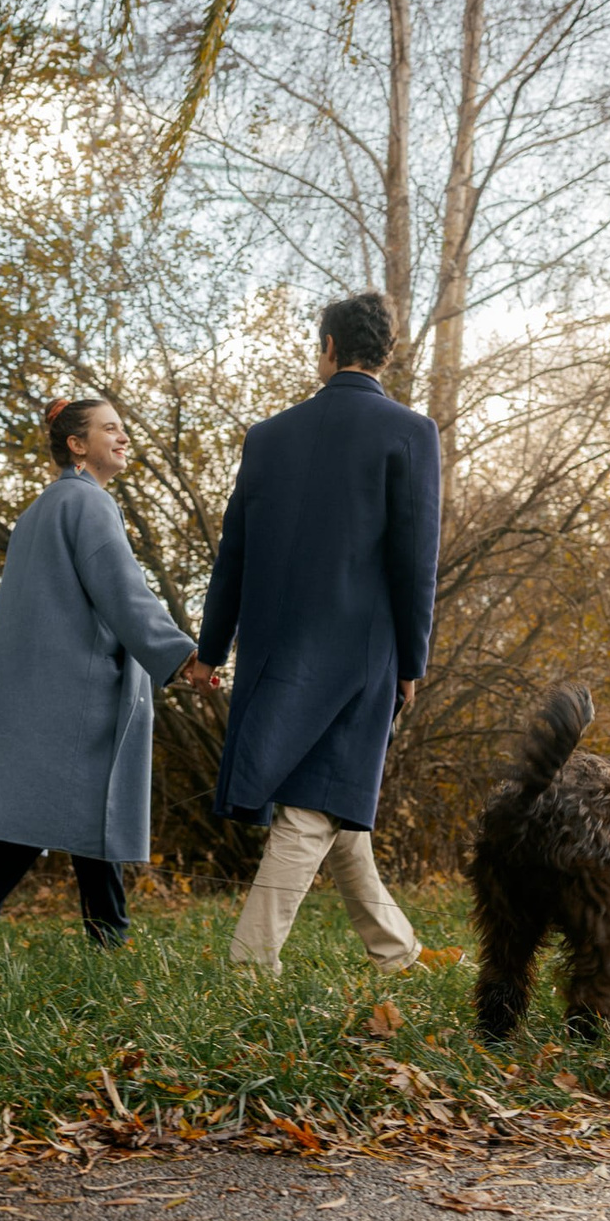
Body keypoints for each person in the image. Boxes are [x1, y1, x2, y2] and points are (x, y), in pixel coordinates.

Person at [195, 291, 441, 974]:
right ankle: (250, 964)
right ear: (384, 353)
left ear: (328, 347)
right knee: (314, 808)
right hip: (361, 654)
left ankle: (395, 951)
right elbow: (415, 562)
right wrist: (410, 662)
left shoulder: (267, 436)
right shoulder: (410, 432)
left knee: (332, 800)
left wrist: (211, 651)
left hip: (274, 651)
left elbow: (232, 557)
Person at [0, 396, 219, 957]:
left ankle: (106, 944)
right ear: (76, 444)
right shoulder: (89, 505)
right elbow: (124, 595)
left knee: (89, 813)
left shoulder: (42, 508)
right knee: (31, 819)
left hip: (39, 689)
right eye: (109, 428)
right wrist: (183, 658)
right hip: (78, 691)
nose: (122, 437)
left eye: (123, 428)